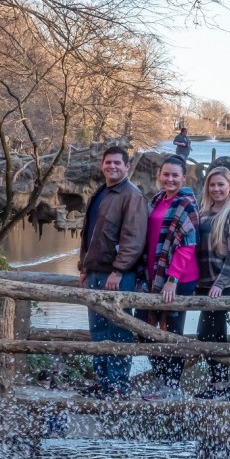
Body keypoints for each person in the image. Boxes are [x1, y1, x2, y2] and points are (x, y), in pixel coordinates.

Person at [78, 146, 148, 399]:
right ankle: (103, 382)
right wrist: (84, 267)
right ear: (102, 165)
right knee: (97, 330)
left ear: (127, 166)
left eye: (118, 162)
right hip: (95, 273)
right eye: (108, 162)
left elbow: (134, 238)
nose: (112, 166)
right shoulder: (100, 193)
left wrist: (119, 270)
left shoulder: (132, 195)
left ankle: (119, 386)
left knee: (119, 330)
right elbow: (88, 235)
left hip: (118, 276)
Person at [139, 155, 200, 401]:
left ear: (184, 178)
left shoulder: (187, 204)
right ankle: (162, 379)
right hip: (154, 276)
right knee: (143, 328)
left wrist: (172, 279)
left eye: (175, 175)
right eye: (166, 174)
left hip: (179, 279)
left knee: (172, 333)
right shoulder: (156, 200)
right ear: (159, 175)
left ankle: (171, 387)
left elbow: (188, 245)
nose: (170, 179)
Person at [194, 167, 230, 399]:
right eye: (212, 185)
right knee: (217, 333)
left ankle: (220, 383)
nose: (216, 189)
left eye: (221, 185)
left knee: (205, 335)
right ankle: (220, 385)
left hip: (225, 283)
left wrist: (220, 284)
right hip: (204, 282)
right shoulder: (203, 211)